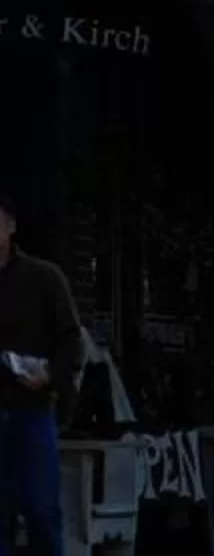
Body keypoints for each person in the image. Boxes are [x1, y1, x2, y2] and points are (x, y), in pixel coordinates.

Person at [0, 190, 84, 556]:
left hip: (30, 409)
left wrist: (50, 376)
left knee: (40, 511)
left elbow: (72, 342)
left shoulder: (43, 278)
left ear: (11, 226)